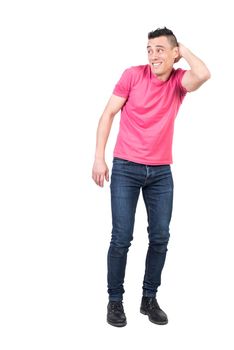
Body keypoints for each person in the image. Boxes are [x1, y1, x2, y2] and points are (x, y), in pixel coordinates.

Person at [92, 27, 210, 327]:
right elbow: (108, 114)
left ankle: (148, 299)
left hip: (160, 172)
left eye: (160, 49)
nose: (153, 54)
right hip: (126, 168)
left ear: (174, 53)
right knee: (121, 237)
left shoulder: (178, 82)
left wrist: (180, 48)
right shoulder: (132, 75)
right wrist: (99, 157)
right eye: (149, 49)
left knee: (160, 237)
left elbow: (204, 73)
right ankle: (115, 301)